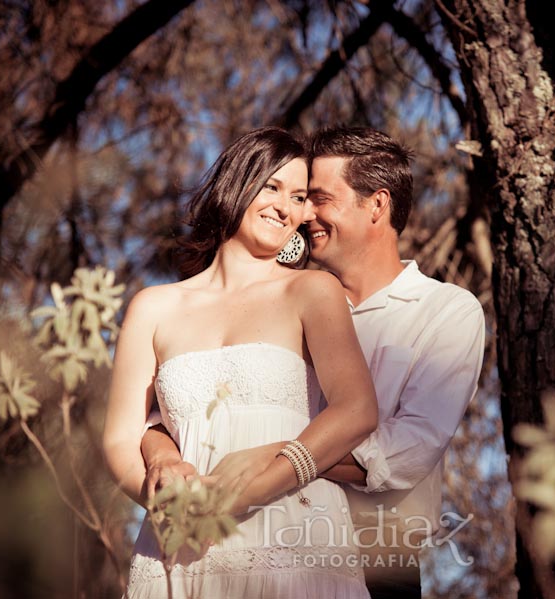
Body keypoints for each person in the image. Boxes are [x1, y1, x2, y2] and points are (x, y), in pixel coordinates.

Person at [142, 126, 485, 598]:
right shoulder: (287, 297)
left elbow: (409, 448)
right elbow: (187, 403)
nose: (303, 214)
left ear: (377, 205)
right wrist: (163, 451)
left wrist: (280, 455)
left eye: (317, 197)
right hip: (249, 539)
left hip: (374, 559)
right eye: (300, 198)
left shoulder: (445, 311)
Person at [102, 127, 378, 598]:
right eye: (271, 187)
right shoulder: (153, 306)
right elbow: (120, 438)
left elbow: (356, 411)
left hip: (293, 535)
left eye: (298, 197)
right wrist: (159, 490)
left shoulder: (312, 291)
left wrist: (247, 493)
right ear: (236, 183)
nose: (285, 208)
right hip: (181, 548)